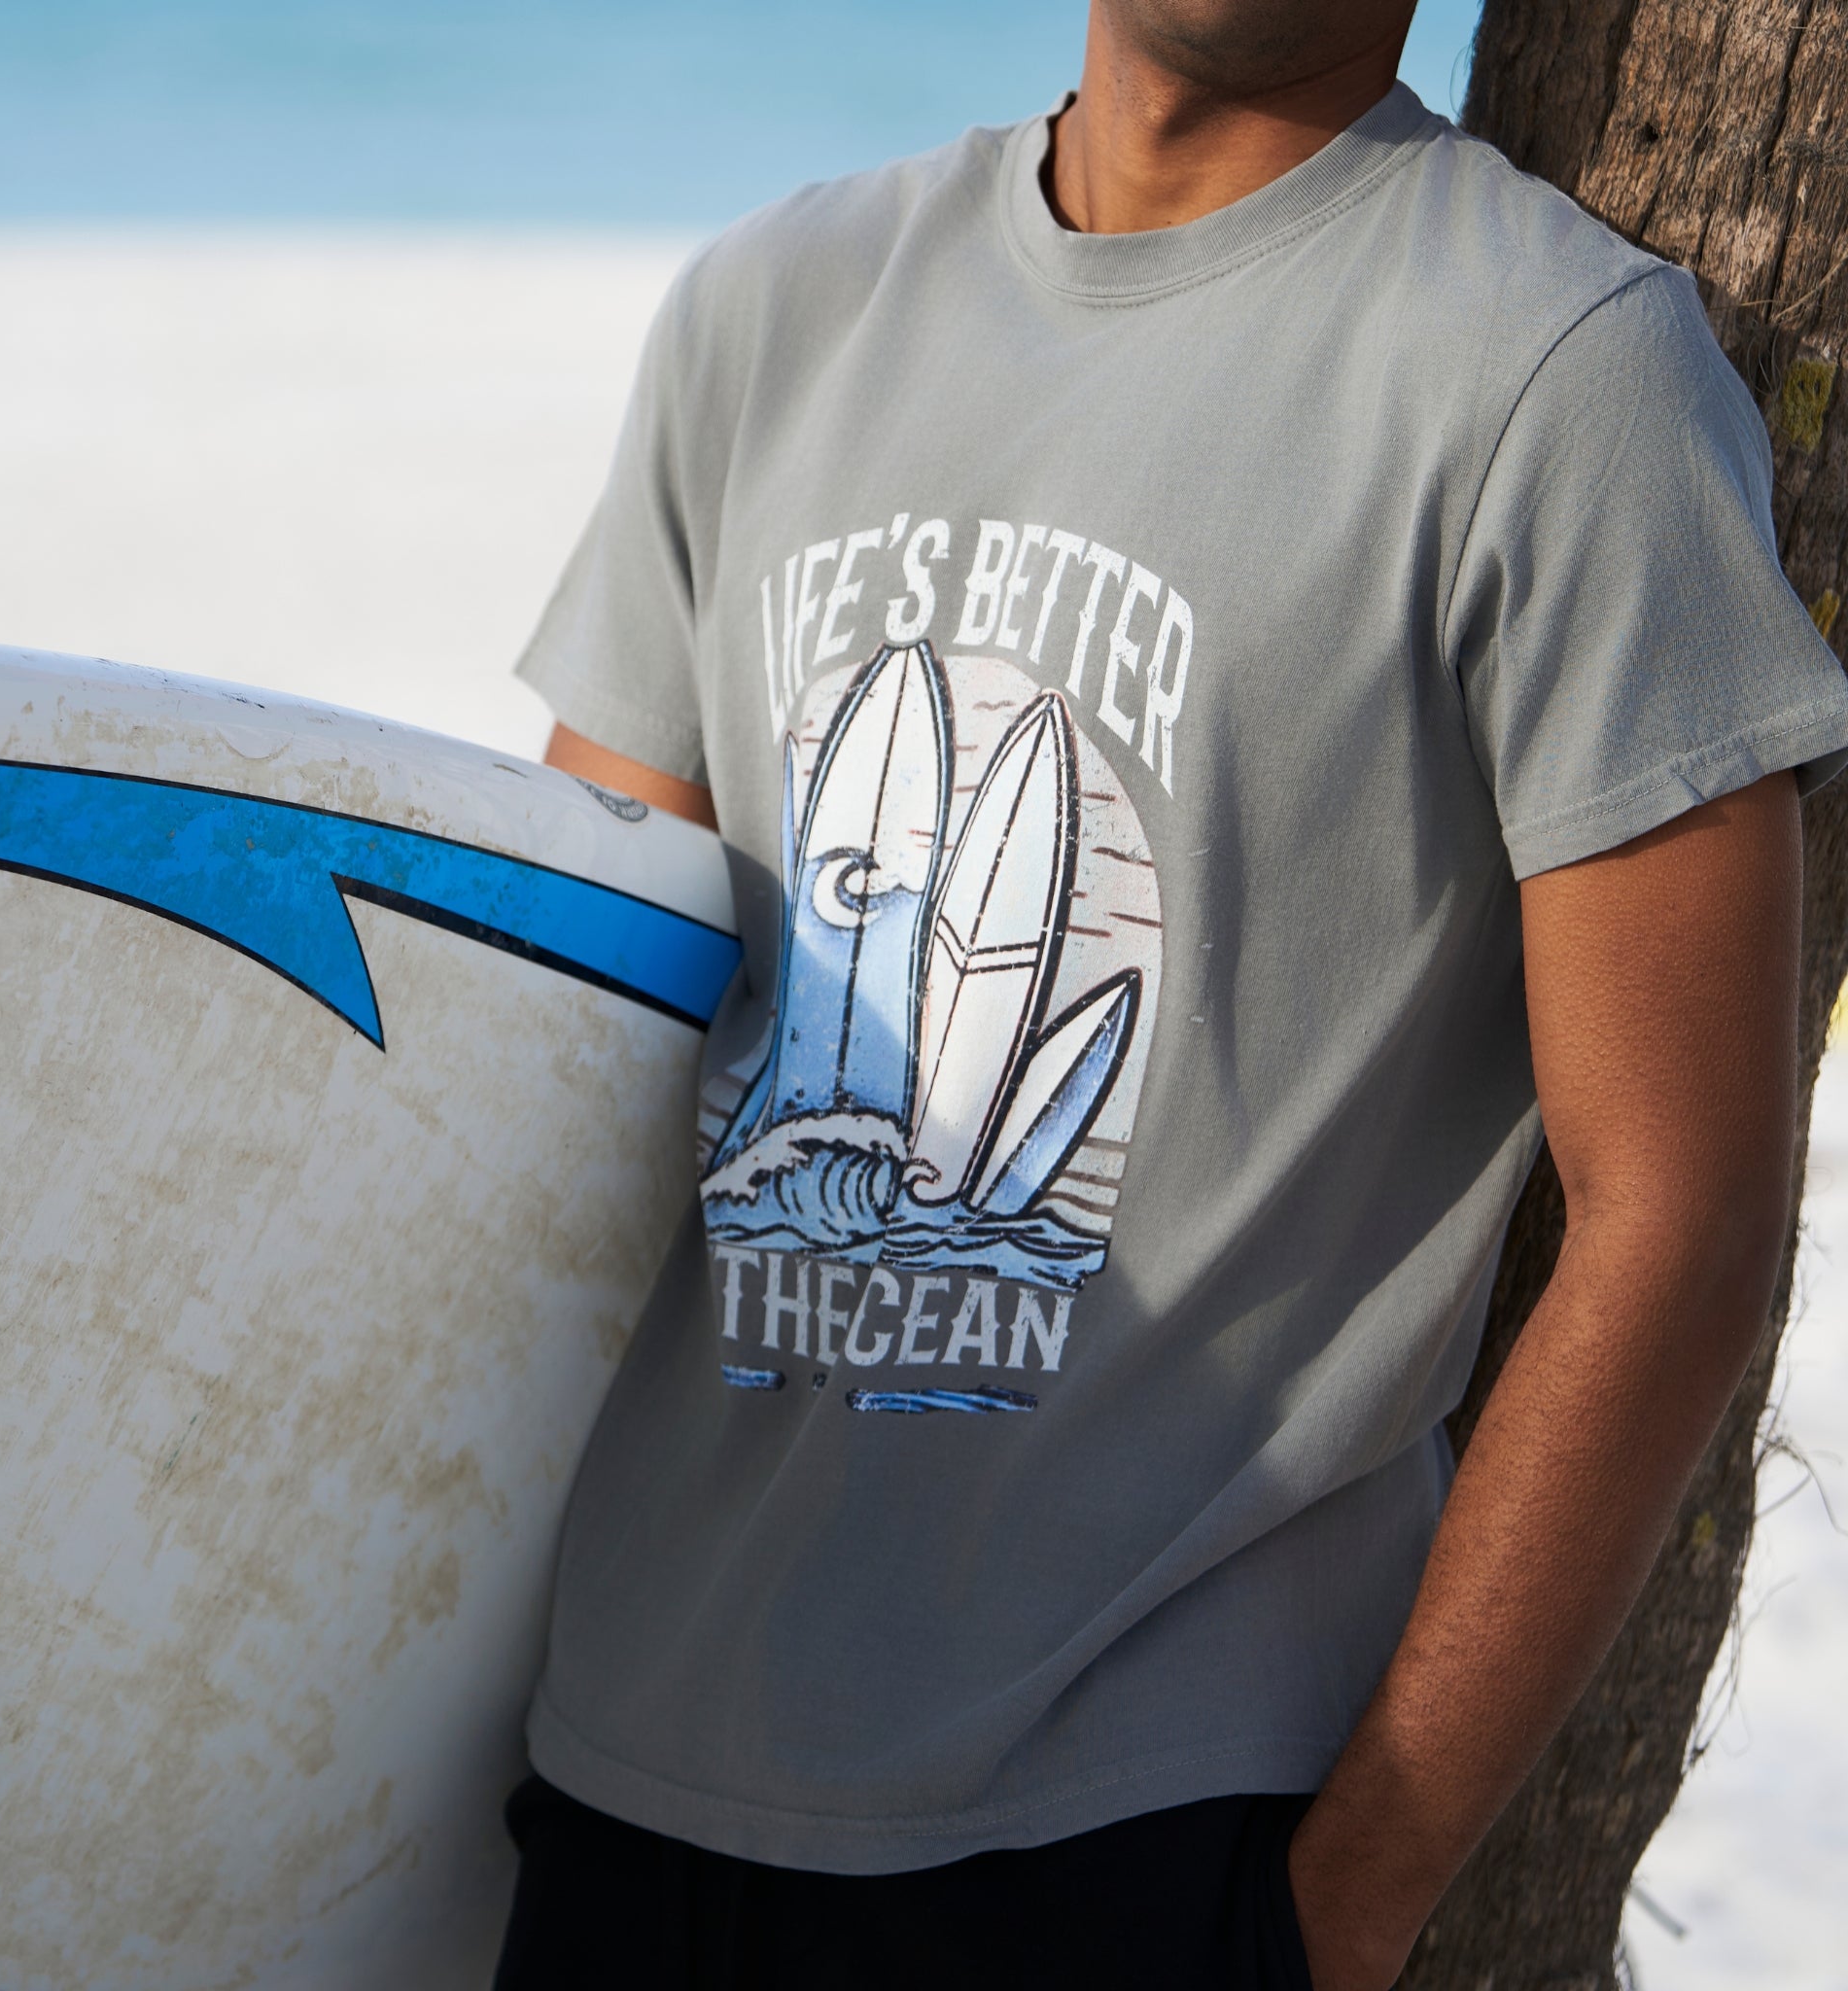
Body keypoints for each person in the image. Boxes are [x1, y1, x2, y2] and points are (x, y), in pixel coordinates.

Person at [495, 2, 1848, 1984]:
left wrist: (1342, 1902)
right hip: (629, 1768)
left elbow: (1683, 1218)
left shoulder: (1553, 373)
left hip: (1142, 1830)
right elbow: (550, 1026)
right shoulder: (774, 304)